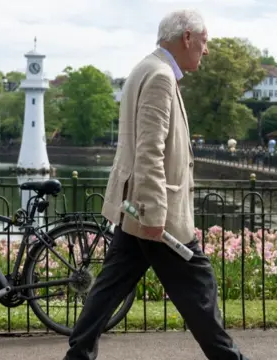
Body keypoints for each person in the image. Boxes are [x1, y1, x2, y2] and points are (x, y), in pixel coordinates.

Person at [62, 9, 249, 360]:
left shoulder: (144, 68)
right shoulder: (161, 76)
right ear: (187, 38)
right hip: (155, 212)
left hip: (134, 204)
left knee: (109, 286)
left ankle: (78, 354)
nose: (206, 51)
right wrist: (153, 215)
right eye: (204, 41)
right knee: (199, 287)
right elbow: (150, 151)